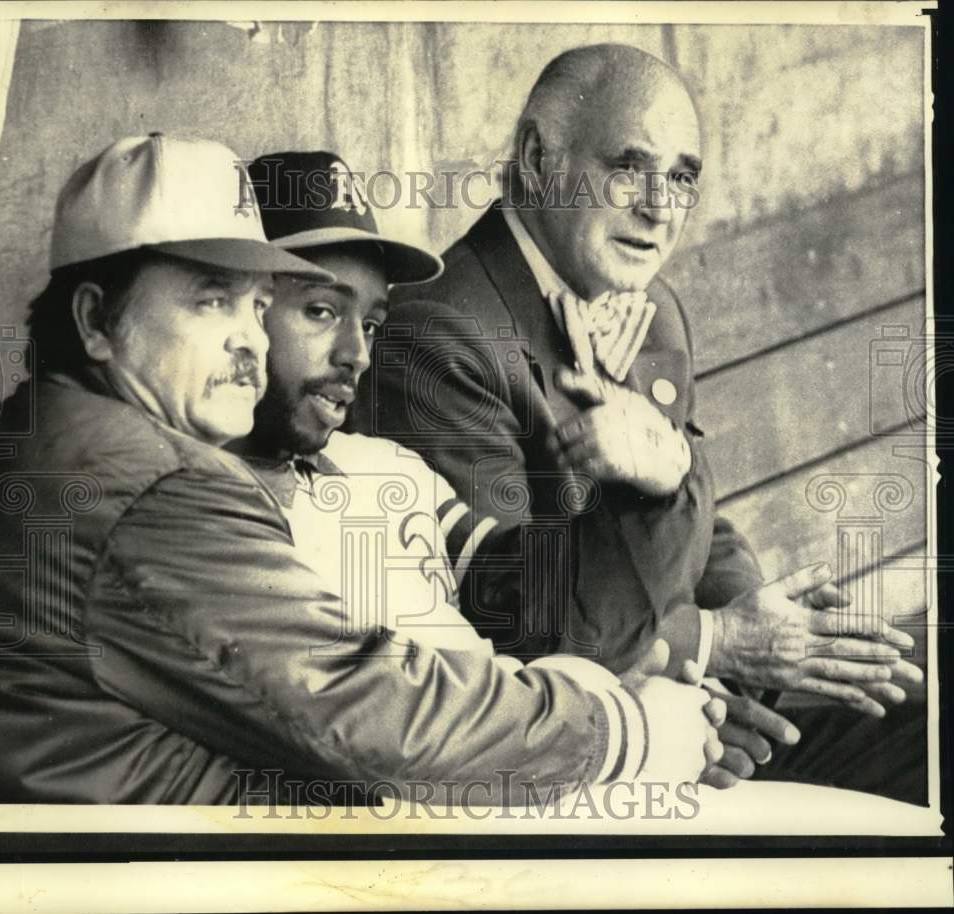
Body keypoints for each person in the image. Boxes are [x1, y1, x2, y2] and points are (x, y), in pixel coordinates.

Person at [0, 134, 721, 805]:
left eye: (255, 307)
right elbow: (373, 715)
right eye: (210, 302)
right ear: (96, 321)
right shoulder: (154, 484)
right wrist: (624, 729)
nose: (246, 343)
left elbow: (524, 607)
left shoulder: (56, 440)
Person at [353, 44, 926, 800]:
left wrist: (759, 650)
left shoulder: (651, 310)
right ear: (536, 158)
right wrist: (720, 648)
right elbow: (508, 620)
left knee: (927, 707)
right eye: (629, 167)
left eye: (682, 176)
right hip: (569, 758)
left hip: (694, 699)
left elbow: (699, 522)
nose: (661, 209)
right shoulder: (442, 333)